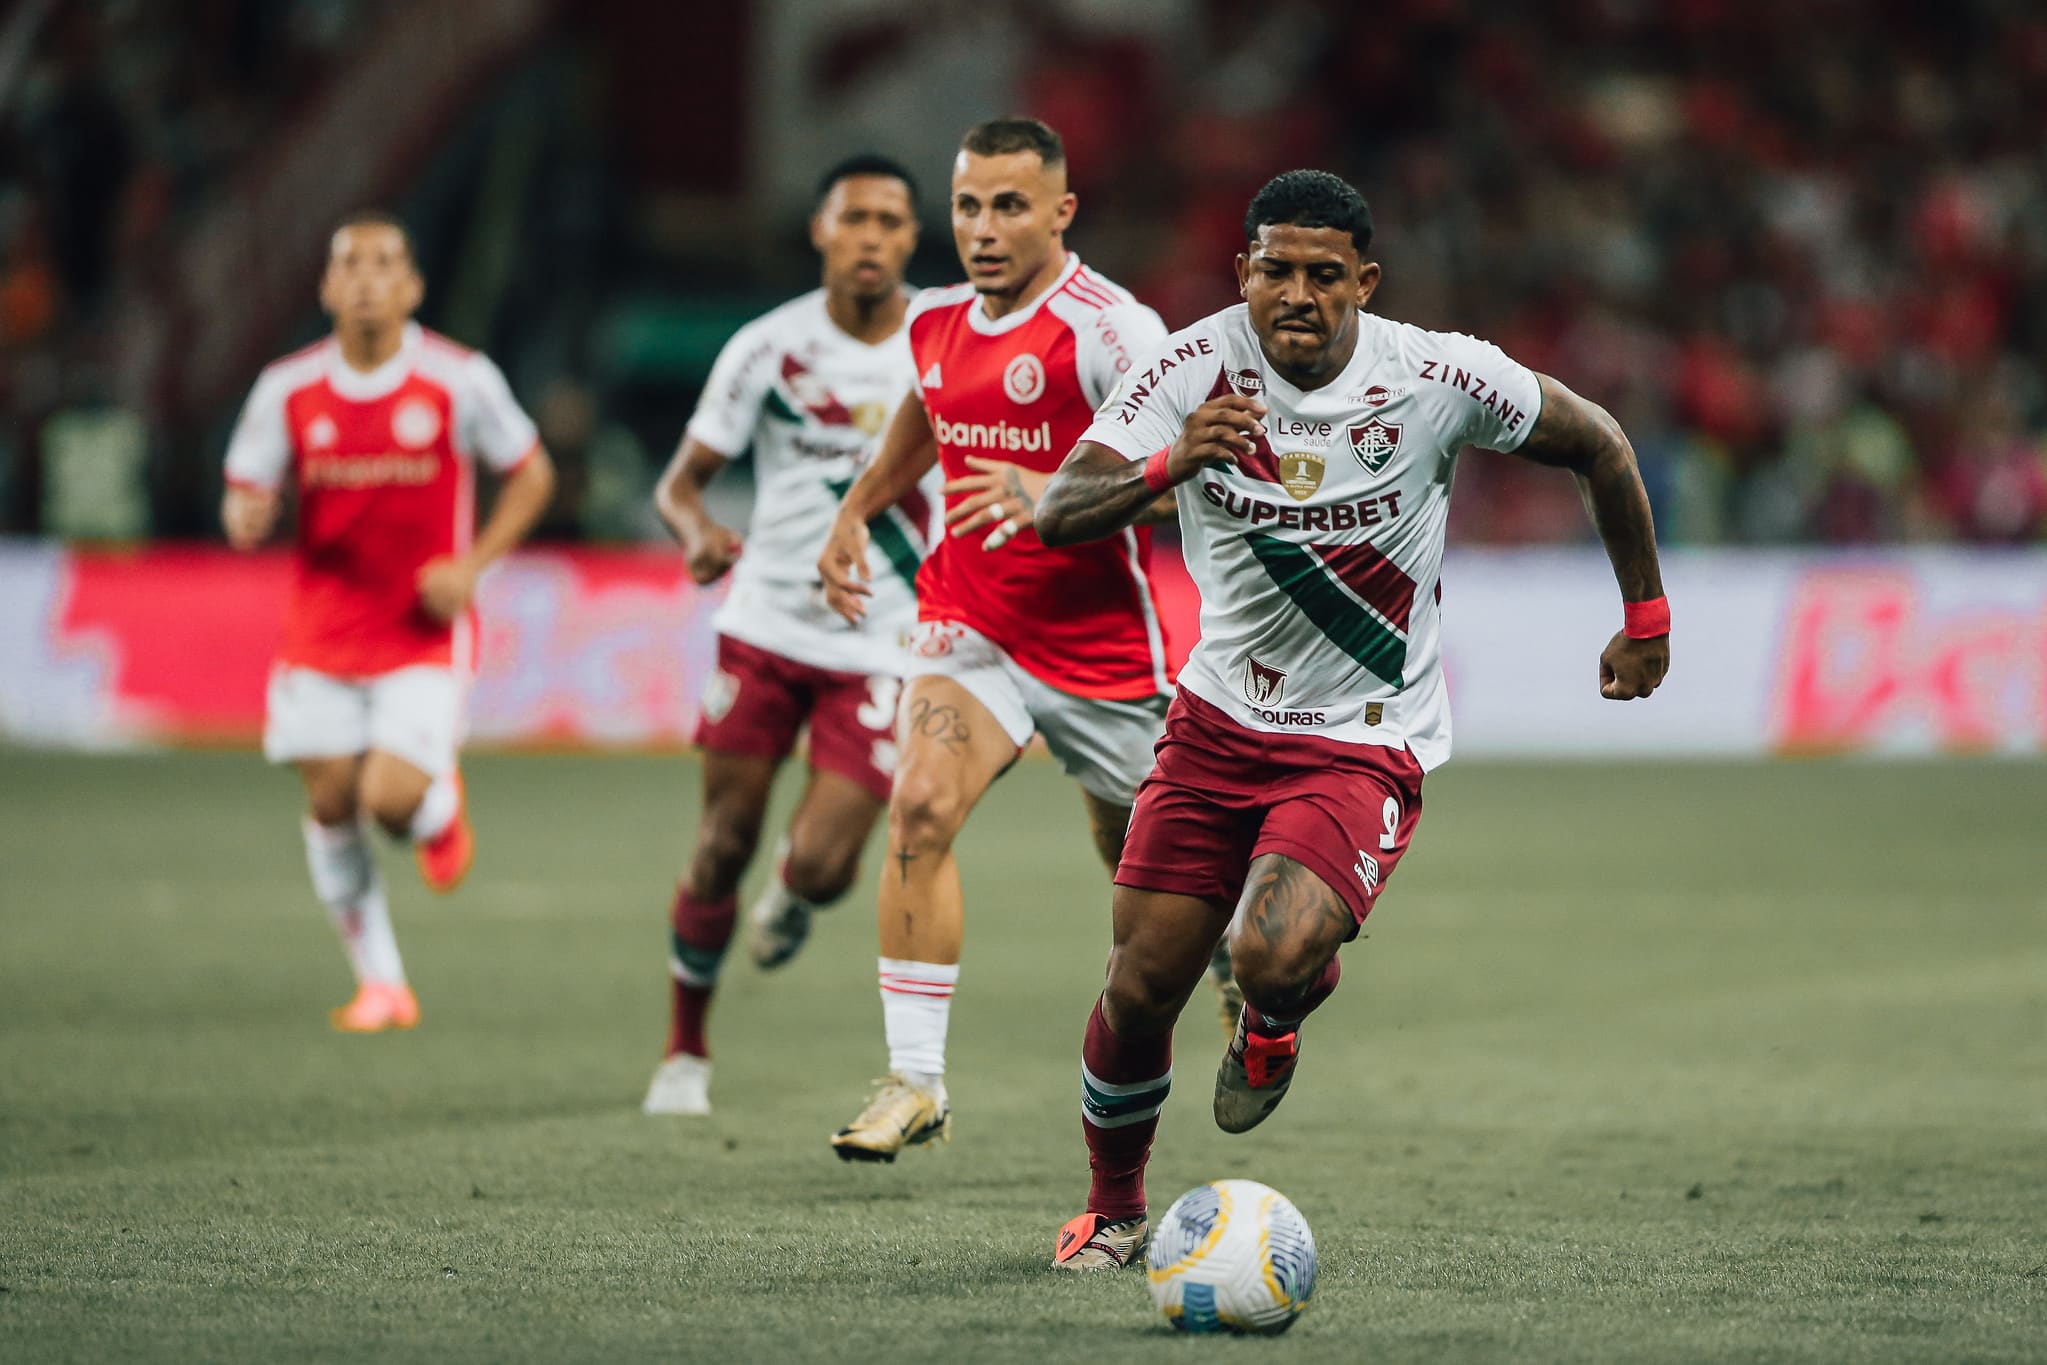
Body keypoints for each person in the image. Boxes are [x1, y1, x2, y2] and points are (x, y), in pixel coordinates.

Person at [1032, 169, 1671, 1268]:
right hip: (1215, 724)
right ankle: (1113, 1210)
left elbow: (1600, 442)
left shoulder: (1435, 373)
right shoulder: (1186, 370)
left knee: (1268, 951)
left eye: (1323, 275)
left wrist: (1645, 618)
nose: (1296, 294)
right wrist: (1168, 462)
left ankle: (1274, 1013)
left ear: (1364, 283)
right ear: (1242, 271)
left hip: (1358, 737)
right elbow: (1058, 511)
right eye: (1275, 270)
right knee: (1137, 987)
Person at [815, 117, 1234, 1163]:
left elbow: (1202, 474)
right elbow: (929, 416)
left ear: (1060, 212)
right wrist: (857, 510)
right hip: (969, 626)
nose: (983, 228)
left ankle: (1228, 962)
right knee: (919, 805)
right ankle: (914, 1080)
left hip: (1101, 651)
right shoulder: (932, 319)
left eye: (1009, 206)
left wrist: (1057, 490)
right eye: (968, 206)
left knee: (1142, 867)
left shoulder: (1113, 331)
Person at [641, 154, 929, 1117]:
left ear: (910, 236)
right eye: (854, 218)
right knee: (721, 841)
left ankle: (794, 890)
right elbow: (679, 483)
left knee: (824, 865)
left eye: (888, 221)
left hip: (881, 640)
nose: (870, 237)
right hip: (764, 625)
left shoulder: (941, 344)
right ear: (820, 230)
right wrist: (696, 533)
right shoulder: (767, 348)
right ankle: (685, 1050)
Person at [221, 211, 556, 1034]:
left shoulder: (459, 379)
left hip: (421, 634)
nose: (367, 279)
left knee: (390, 802)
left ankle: (436, 809)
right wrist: (246, 516)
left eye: (384, 264)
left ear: (412, 287)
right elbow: (244, 493)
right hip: (321, 633)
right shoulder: (286, 389)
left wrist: (471, 568)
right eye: (351, 264)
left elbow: (532, 474)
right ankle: (382, 985)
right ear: (326, 286)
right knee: (333, 803)